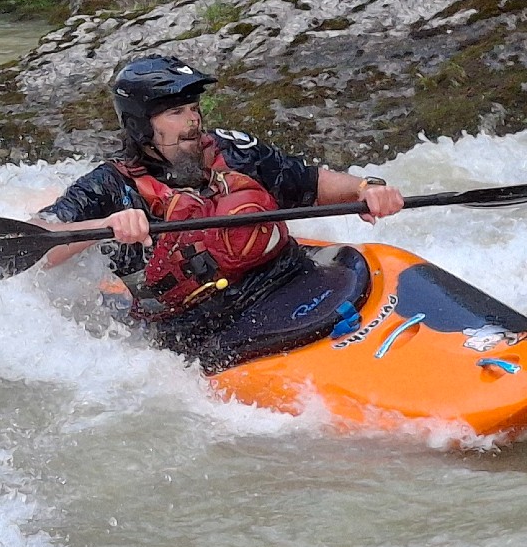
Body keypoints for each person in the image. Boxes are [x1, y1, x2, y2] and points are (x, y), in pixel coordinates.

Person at [36, 54, 405, 369]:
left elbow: (308, 182)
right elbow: (41, 245)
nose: (193, 121)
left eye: (194, 109)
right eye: (176, 113)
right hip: (202, 328)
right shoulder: (109, 187)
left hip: (291, 279)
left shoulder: (233, 150)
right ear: (140, 126)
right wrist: (106, 224)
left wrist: (365, 189)